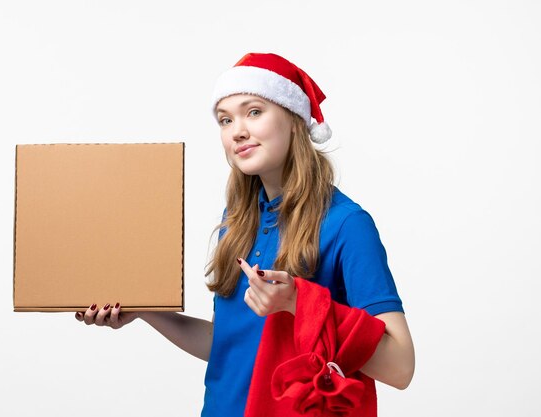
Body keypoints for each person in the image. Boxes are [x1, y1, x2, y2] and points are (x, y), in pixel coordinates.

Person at [75, 52, 415, 416]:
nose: (237, 130)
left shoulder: (346, 224)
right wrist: (145, 311)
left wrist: (298, 304)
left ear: (296, 120)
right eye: (225, 119)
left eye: (253, 112)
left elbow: (400, 366)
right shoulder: (238, 223)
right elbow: (228, 344)